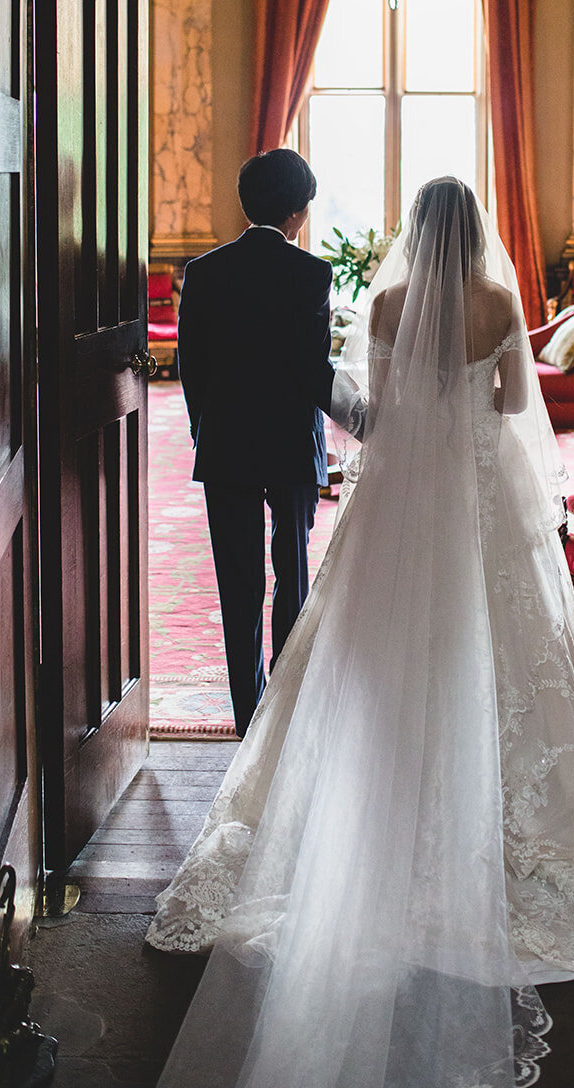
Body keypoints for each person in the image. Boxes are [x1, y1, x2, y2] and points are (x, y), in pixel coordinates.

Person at [149, 177, 574, 1088]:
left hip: (400, 494)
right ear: (476, 231)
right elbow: (514, 408)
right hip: (474, 492)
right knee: (496, 642)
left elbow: (375, 402)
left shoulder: (384, 298)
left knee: (368, 639)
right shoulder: (494, 302)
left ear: (413, 232)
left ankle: (373, 786)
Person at [176, 148, 336, 737]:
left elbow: (190, 365)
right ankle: (284, 707)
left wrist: (204, 429)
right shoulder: (310, 273)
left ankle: (248, 710)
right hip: (292, 442)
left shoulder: (205, 271)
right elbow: (311, 369)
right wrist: (364, 411)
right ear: (296, 212)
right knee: (291, 569)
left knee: (236, 580)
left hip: (225, 444)